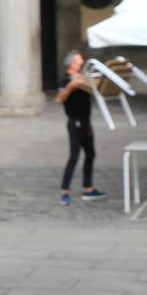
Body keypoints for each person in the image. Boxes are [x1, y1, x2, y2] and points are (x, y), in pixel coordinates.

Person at [54, 51, 107, 205]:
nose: (81, 63)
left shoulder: (83, 78)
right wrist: (71, 86)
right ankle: (64, 191)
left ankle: (88, 188)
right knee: (74, 156)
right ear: (71, 63)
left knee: (90, 154)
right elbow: (59, 99)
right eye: (79, 61)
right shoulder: (65, 80)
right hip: (74, 122)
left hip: (86, 122)